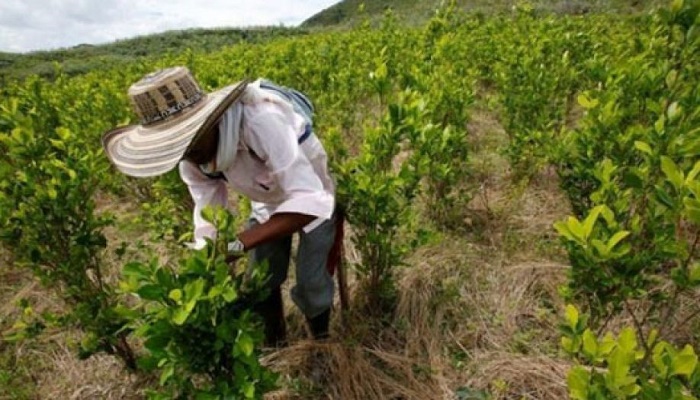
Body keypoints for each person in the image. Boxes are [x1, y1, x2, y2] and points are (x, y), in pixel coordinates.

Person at [102, 66, 338, 346]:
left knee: (312, 283)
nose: (187, 152)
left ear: (210, 120)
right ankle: (275, 345)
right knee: (260, 282)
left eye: (190, 137)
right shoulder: (191, 159)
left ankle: (321, 343)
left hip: (313, 191)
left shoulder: (260, 121)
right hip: (266, 200)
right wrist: (207, 257)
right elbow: (207, 215)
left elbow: (308, 202)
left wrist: (235, 246)